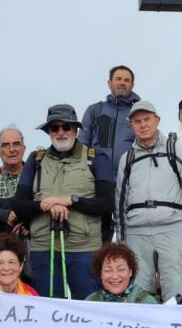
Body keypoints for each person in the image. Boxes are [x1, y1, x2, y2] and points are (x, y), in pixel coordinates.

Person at [13, 104, 115, 300]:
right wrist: (45, 204)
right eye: (54, 128)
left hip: (84, 248)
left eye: (66, 127)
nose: (61, 132)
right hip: (44, 246)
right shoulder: (36, 159)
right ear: (48, 132)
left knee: (87, 308)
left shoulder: (96, 157)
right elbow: (19, 205)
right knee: (49, 309)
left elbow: (106, 204)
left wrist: (69, 200)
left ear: (76, 129)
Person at [116, 100, 182, 302]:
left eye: (147, 119)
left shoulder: (172, 147)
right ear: (131, 126)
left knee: (176, 283)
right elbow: (120, 200)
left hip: (171, 226)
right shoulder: (127, 158)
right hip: (136, 230)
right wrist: (122, 240)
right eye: (137, 121)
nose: (143, 125)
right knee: (138, 289)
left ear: (157, 120)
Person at [79, 64, 140, 177]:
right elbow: (82, 146)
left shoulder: (138, 113)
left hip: (130, 180)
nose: (122, 83)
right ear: (109, 83)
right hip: (97, 180)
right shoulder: (95, 110)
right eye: (118, 79)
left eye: (126, 80)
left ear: (132, 85)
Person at [0, 126, 27, 239]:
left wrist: (28, 223)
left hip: (33, 248)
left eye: (16, 144)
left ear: (24, 148)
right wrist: (3, 215)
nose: (12, 149)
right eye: (5, 145)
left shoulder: (37, 177)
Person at [85, 242, 159, 303]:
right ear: (100, 273)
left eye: (121, 269)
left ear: (130, 272)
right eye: (108, 270)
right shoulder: (90, 301)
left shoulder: (147, 302)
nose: (114, 276)